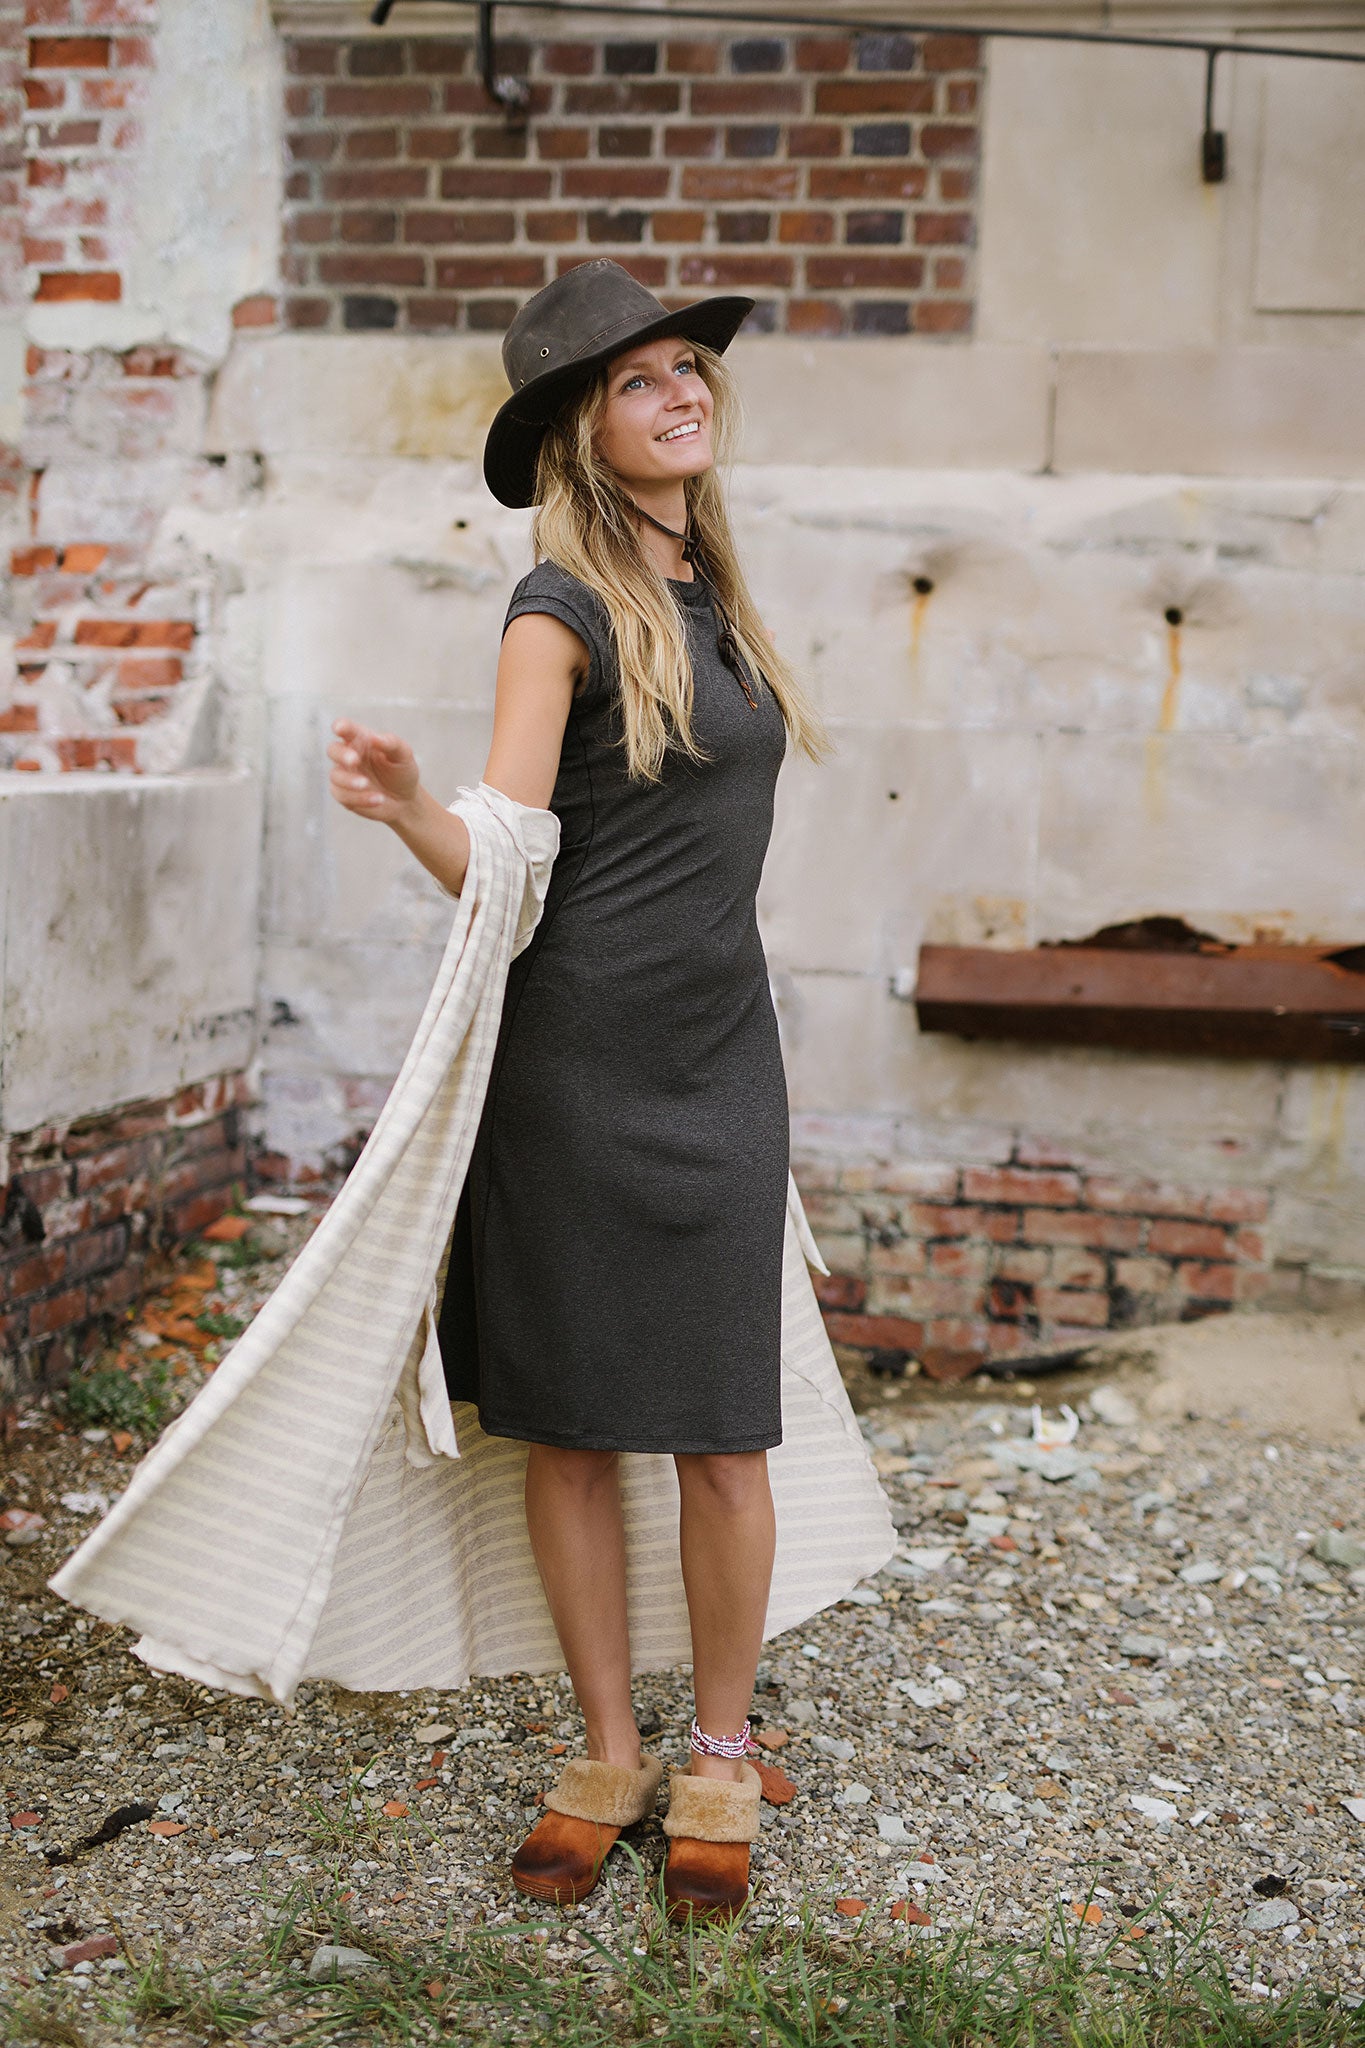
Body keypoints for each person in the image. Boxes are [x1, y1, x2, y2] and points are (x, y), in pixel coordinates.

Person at [325, 260, 832, 1922]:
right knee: (564, 1428)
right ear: (577, 430)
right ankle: (609, 1750)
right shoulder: (557, 604)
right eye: (637, 380)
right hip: (570, 1070)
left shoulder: (718, 596)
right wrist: (414, 809)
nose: (681, 390)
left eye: (687, 365)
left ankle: (721, 1744)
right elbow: (514, 847)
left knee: (719, 1432)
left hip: (716, 1058)